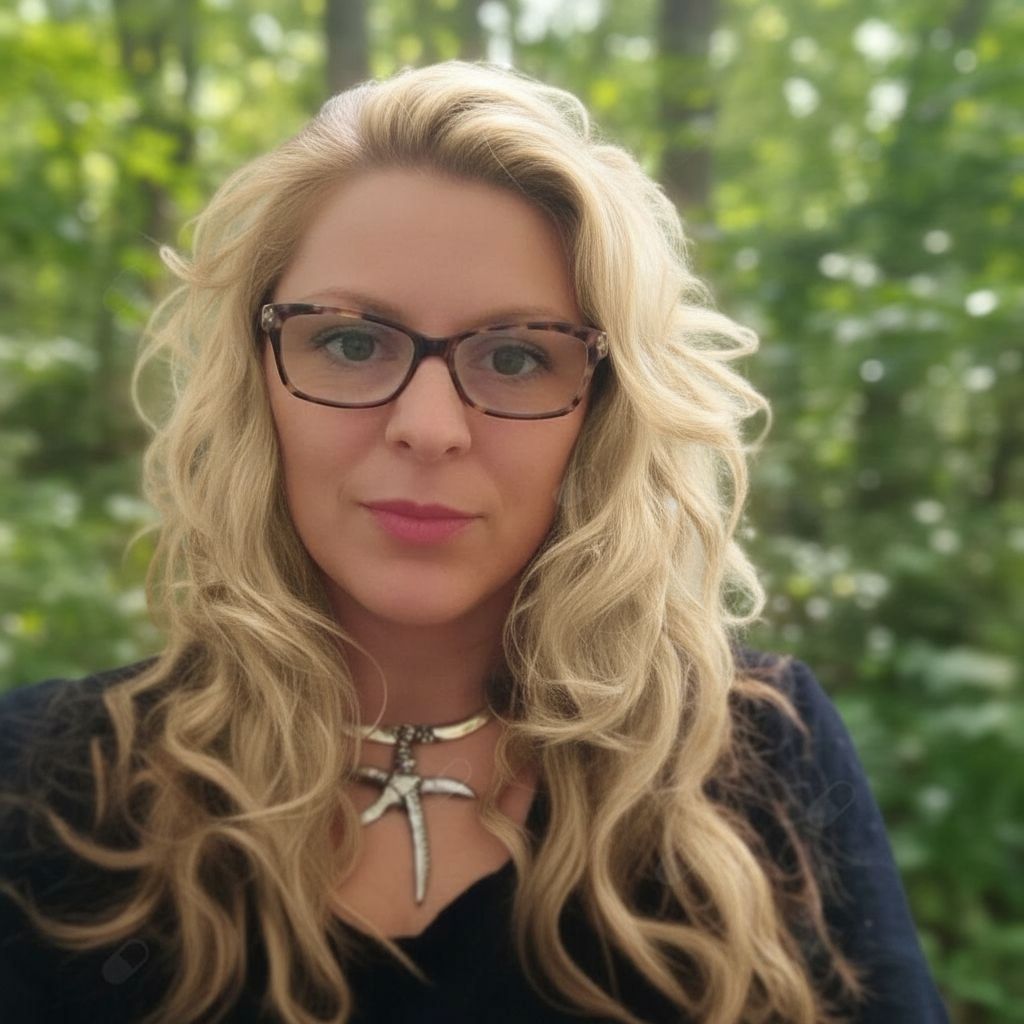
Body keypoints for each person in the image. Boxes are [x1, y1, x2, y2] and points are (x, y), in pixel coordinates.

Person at [0, 60, 950, 1024]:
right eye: (352, 341)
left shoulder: (754, 760)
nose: (429, 427)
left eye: (516, 356)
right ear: (258, 377)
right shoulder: (44, 783)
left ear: (604, 410)